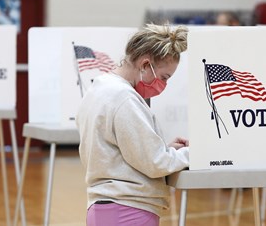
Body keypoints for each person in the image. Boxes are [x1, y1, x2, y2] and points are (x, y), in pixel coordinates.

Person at [76, 23, 190, 226]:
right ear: (145, 64)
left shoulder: (98, 89)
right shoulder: (124, 98)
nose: (163, 85)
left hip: (104, 208)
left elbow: (122, 153)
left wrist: (165, 150)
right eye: (164, 77)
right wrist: (194, 153)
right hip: (129, 210)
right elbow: (155, 163)